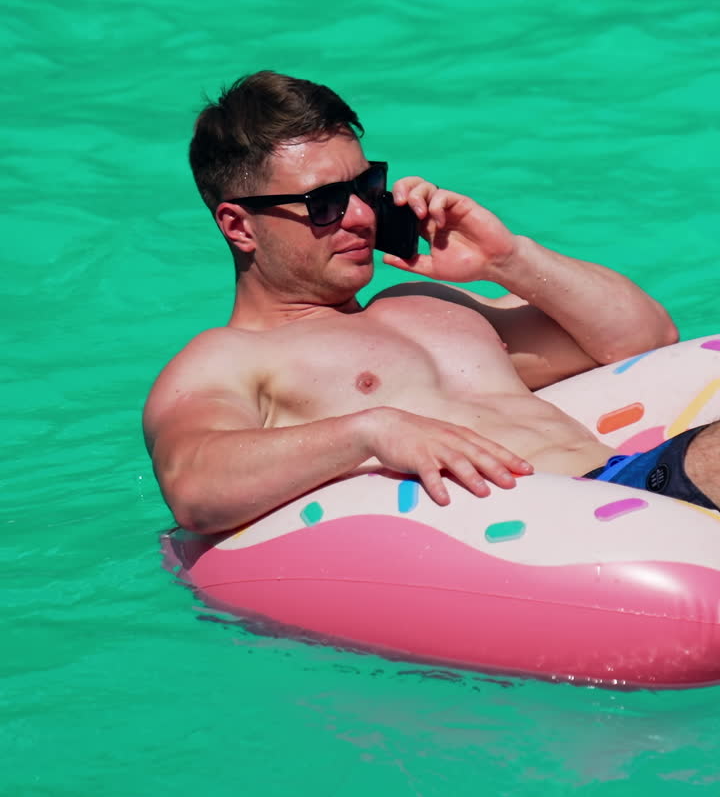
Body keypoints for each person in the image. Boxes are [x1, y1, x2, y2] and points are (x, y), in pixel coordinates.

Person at [143, 70, 720, 535]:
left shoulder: (428, 304)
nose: (363, 216)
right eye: (324, 202)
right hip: (566, 536)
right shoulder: (227, 359)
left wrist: (507, 259)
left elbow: (642, 338)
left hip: (638, 494)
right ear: (239, 226)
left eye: (364, 187)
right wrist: (371, 431)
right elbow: (192, 485)